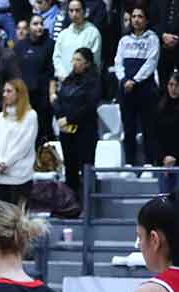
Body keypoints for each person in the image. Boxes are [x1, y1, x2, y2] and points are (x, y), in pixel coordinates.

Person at [113, 5, 161, 168]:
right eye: (133, 16)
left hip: (145, 88)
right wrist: (124, 80)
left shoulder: (152, 38)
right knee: (129, 127)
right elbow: (118, 62)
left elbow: (151, 62)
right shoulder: (124, 40)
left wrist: (135, 80)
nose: (136, 20)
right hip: (126, 89)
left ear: (146, 20)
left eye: (140, 16)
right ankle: (130, 163)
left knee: (148, 127)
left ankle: (149, 162)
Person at [54, 47, 103, 200]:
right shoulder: (69, 79)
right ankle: (71, 204)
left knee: (86, 168)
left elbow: (89, 106)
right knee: (70, 168)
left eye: (78, 60)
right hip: (67, 132)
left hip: (85, 132)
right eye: (73, 60)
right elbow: (60, 100)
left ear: (87, 63)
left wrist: (69, 119)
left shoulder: (94, 82)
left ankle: (88, 204)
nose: (74, 63)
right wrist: (60, 116)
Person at [0, 79, 39, 207]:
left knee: (18, 216)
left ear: (19, 94)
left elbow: (24, 144)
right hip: (0, 176)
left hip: (20, 176)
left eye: (9, 91)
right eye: (4, 91)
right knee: (1, 215)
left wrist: (7, 162)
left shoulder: (30, 116)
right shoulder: (1, 117)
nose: (4, 94)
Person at [17, 13, 57, 147]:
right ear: (28, 27)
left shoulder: (50, 44)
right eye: (35, 24)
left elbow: (52, 71)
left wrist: (51, 92)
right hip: (25, 95)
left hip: (43, 95)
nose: (39, 27)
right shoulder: (20, 46)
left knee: (43, 129)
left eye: (41, 24)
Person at [53, 0, 103, 81]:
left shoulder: (93, 33)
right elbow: (57, 58)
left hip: (85, 83)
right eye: (71, 11)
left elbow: (94, 62)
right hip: (64, 81)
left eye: (77, 10)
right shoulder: (63, 34)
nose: (74, 14)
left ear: (85, 12)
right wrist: (64, 76)